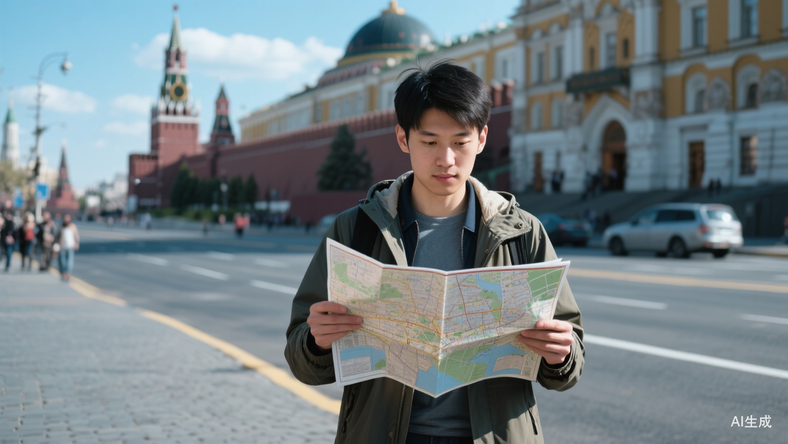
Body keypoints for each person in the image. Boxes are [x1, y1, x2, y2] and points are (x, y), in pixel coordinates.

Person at [285, 62, 584, 444]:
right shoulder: (355, 231)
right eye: (429, 142)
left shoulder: (523, 234)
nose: (446, 159)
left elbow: (570, 364)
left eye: (460, 142)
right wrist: (317, 341)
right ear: (403, 138)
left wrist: (561, 354)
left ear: (482, 138)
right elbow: (303, 361)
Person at [55, 214, 79, 281]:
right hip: (62, 246)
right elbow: (58, 236)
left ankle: (67, 273)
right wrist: (56, 244)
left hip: (70, 246)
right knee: (62, 261)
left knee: (69, 261)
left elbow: (76, 235)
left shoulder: (73, 226)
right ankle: (63, 272)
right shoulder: (61, 226)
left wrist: (76, 243)